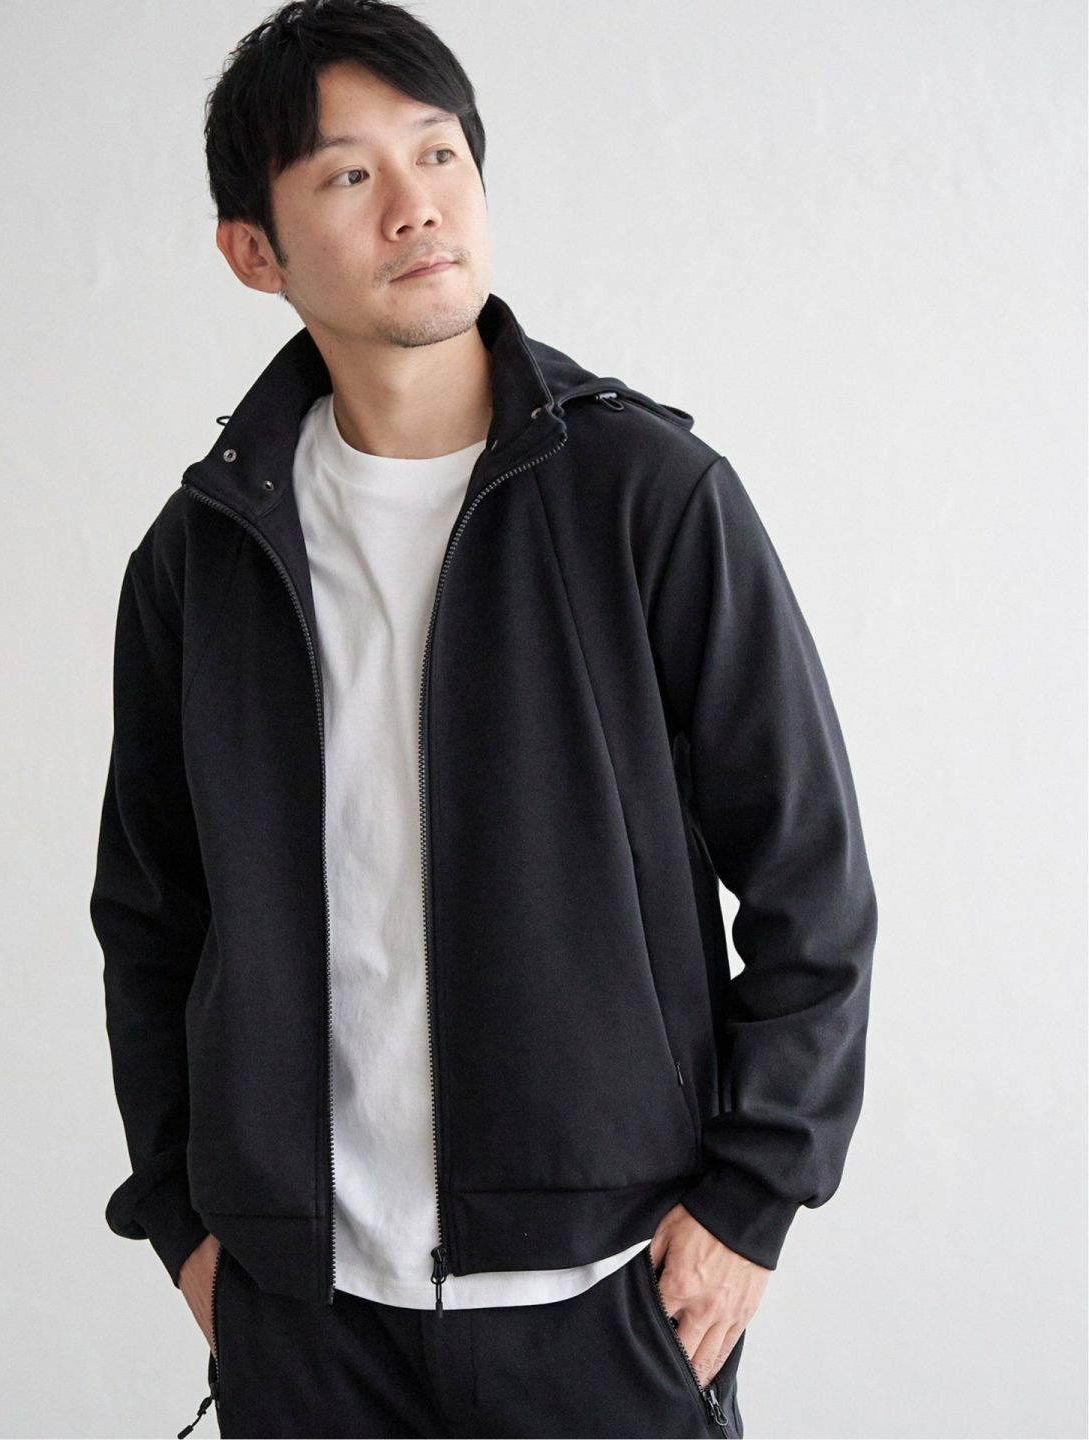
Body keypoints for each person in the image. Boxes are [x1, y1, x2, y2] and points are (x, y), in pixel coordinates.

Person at [89, 2, 878, 1436]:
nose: (417, 205)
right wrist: (192, 1234)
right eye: (349, 174)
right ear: (254, 252)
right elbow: (151, 919)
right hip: (308, 1328)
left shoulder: (648, 497)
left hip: (608, 1303)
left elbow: (811, 879)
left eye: (439, 152)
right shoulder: (200, 561)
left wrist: (753, 1202)